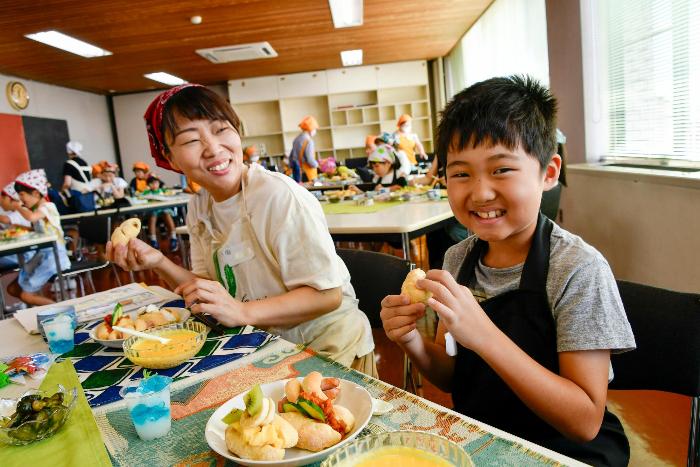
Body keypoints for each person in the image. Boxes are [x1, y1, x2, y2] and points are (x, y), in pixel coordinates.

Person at [380, 76, 635, 466]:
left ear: (548, 173)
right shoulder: (457, 260)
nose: (480, 192)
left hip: (564, 452)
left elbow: (584, 422)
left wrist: (484, 335)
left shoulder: (577, 270)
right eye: (461, 173)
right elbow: (455, 377)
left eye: (501, 170)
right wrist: (411, 341)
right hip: (484, 441)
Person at [107, 84, 375, 374]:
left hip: (331, 349)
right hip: (265, 348)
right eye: (191, 140)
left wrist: (242, 311)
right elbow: (208, 289)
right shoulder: (199, 205)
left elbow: (327, 295)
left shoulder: (278, 196)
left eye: (221, 129)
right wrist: (157, 261)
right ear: (169, 158)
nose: (213, 148)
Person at [8, 169, 71, 306]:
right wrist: (23, 229)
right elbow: (39, 230)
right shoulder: (38, 210)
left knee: (26, 295)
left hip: (54, 257)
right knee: (13, 289)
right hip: (42, 255)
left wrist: (17, 207)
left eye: (22, 195)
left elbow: (31, 217)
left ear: (36, 193)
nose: (21, 200)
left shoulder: (48, 206)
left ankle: (62, 311)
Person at [142, 175, 179, 252]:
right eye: (151, 184)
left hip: (164, 209)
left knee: (167, 214)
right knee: (153, 216)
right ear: (148, 185)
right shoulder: (147, 192)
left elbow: (171, 194)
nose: (154, 185)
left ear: (159, 183)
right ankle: (153, 239)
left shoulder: (162, 191)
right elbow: (140, 197)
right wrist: (146, 192)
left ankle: (173, 237)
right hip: (153, 211)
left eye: (156, 183)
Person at [289, 115, 319, 183]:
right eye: (315, 129)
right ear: (311, 129)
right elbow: (309, 159)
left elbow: (291, 156)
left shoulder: (296, 139)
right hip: (307, 174)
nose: (315, 131)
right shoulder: (308, 141)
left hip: (297, 171)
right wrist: (317, 165)